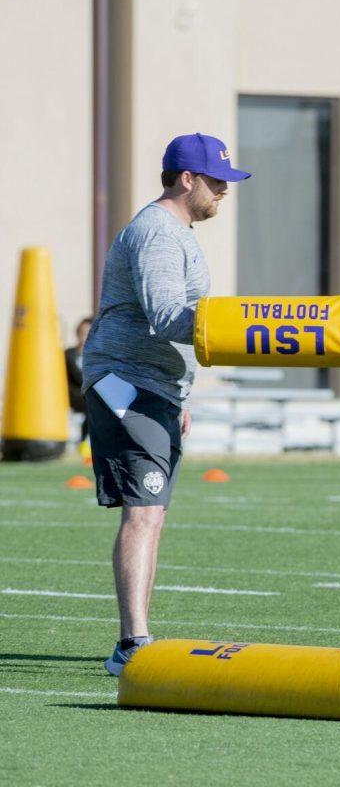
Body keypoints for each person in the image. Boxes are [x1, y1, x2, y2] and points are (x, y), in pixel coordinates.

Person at [82, 133, 250, 674]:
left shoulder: (179, 230)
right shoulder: (157, 231)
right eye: (217, 180)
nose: (224, 190)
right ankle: (132, 642)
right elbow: (167, 316)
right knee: (146, 507)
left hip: (151, 385)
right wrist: (241, 333)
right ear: (186, 179)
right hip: (120, 381)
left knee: (151, 510)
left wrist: (179, 392)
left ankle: (134, 637)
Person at [64, 316, 92, 454]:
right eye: (82, 332)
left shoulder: (95, 356)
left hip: (89, 394)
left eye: (88, 332)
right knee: (92, 405)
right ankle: (84, 441)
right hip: (74, 396)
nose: (84, 336)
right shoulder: (68, 354)